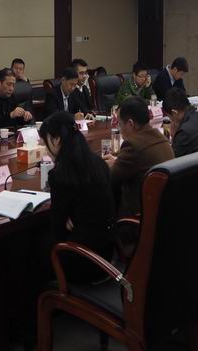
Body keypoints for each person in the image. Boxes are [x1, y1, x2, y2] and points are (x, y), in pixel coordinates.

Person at [39, 112, 115, 282]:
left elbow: (58, 229)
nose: (46, 148)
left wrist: (65, 217)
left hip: (83, 260)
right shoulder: (98, 162)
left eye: (45, 142)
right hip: (107, 256)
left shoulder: (61, 174)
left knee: (34, 242)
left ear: (56, 140)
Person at [103, 97, 174, 215]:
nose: (120, 129)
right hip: (164, 212)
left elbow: (110, 179)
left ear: (130, 124)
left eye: (120, 124)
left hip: (140, 216)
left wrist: (100, 166)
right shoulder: (161, 137)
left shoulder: (133, 145)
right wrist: (117, 162)